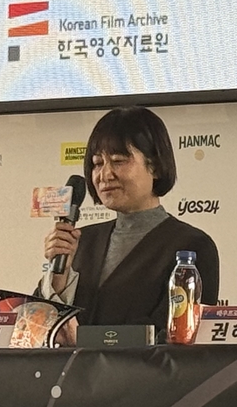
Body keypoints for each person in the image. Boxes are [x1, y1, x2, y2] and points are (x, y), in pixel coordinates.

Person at [40, 106, 219, 333]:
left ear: (155, 166)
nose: (105, 175)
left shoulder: (192, 246)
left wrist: (86, 339)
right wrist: (59, 277)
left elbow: (175, 336)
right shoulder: (81, 240)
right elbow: (37, 330)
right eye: (97, 163)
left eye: (118, 161)